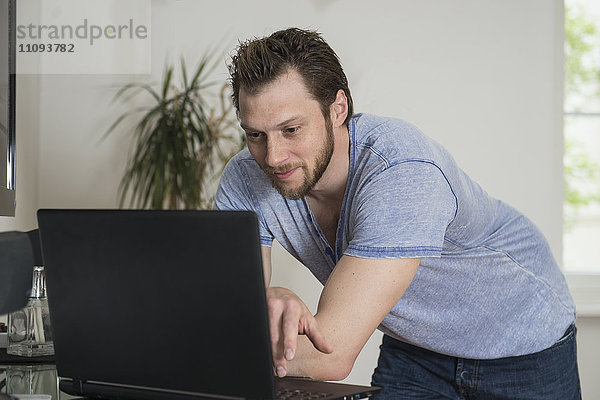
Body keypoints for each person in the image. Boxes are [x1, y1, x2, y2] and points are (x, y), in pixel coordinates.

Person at [214, 27, 581, 399]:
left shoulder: (402, 169)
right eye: (255, 135)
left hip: (522, 341)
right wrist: (264, 304)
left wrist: (224, 344)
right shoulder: (245, 179)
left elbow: (330, 353)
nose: (273, 156)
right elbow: (225, 312)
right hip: (416, 347)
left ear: (337, 109)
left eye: (291, 129)